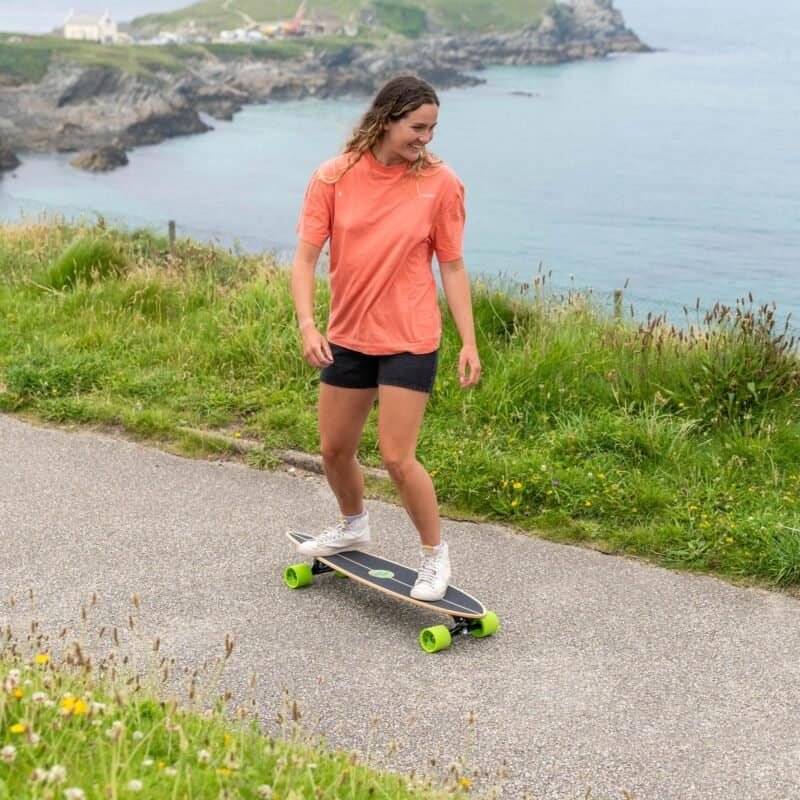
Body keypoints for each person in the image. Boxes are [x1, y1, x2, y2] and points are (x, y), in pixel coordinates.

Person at [290, 75, 480, 602]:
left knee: (397, 457)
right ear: (386, 119)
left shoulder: (441, 184)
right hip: (348, 334)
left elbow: (454, 267)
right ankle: (353, 524)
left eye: (433, 128)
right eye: (418, 127)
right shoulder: (333, 177)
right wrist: (308, 323)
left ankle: (434, 556)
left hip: (410, 337)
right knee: (334, 450)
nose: (427, 138)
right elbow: (305, 260)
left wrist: (469, 342)